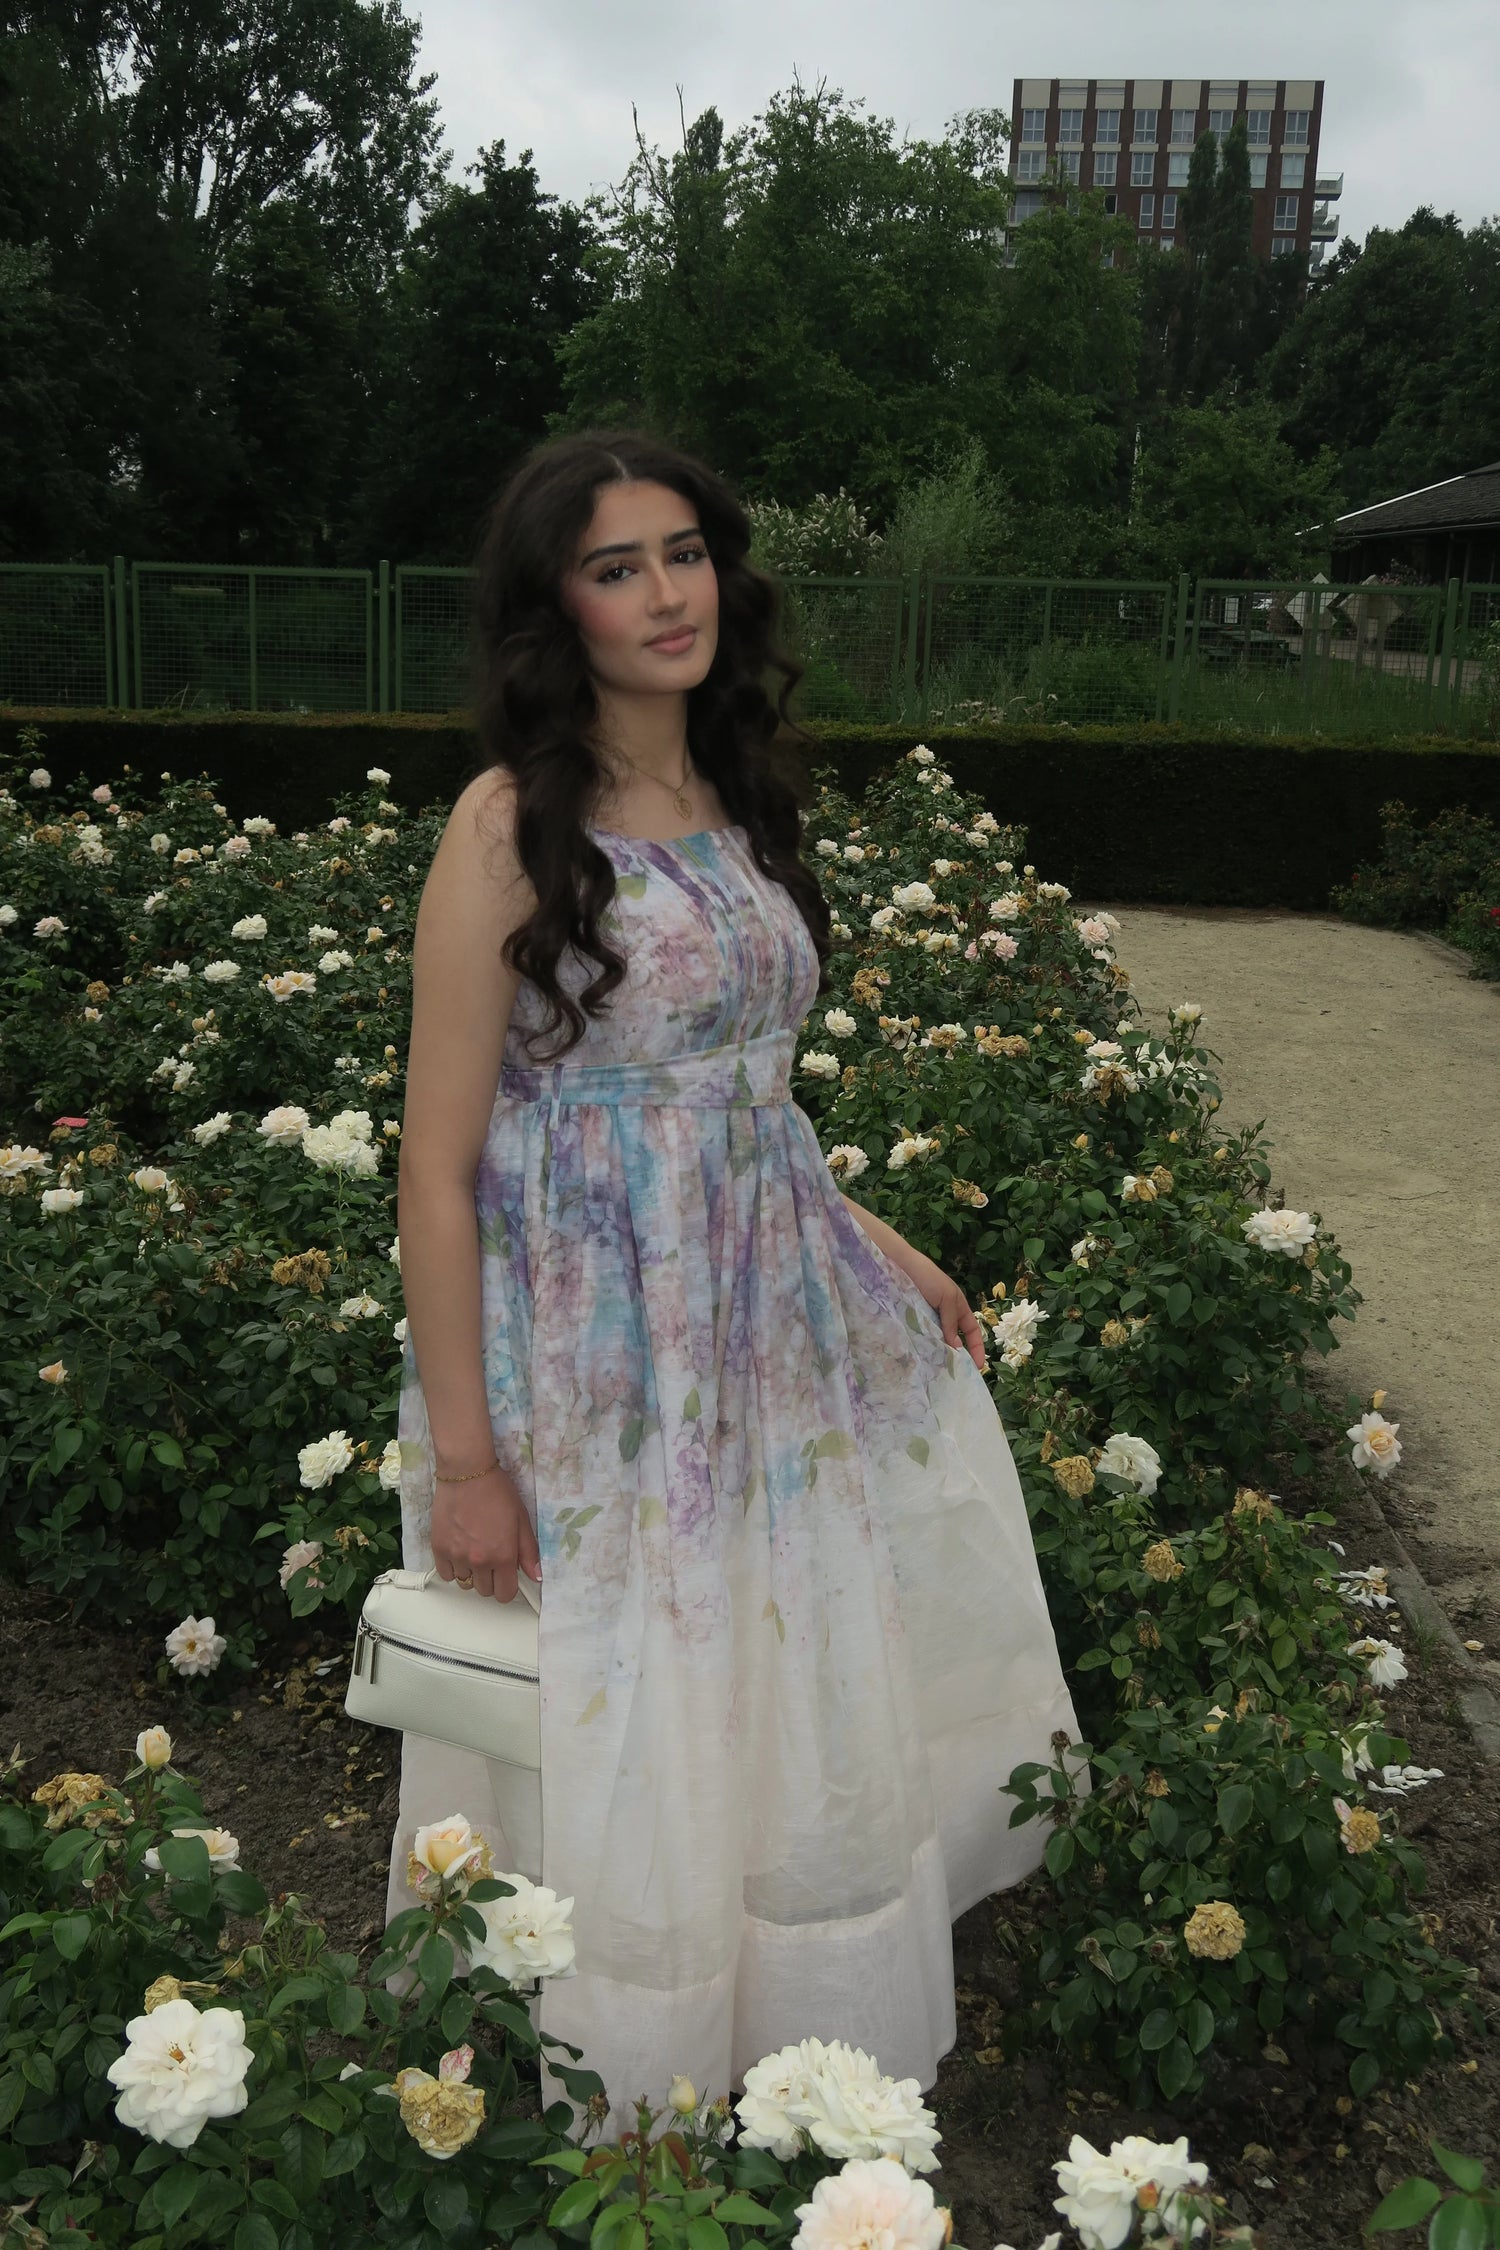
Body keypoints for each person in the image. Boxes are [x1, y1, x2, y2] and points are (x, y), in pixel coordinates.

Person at [387, 427, 1087, 2135]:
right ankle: (622, 2064)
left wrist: (885, 1246)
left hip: (771, 1317)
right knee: (633, 1672)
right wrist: (468, 1462)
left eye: (682, 551)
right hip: (596, 1347)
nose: (663, 591)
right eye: (615, 565)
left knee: (769, 1658)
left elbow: (748, 1095)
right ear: (557, 608)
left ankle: (783, 2012)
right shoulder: (506, 827)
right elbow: (437, 1161)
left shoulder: (739, 791)